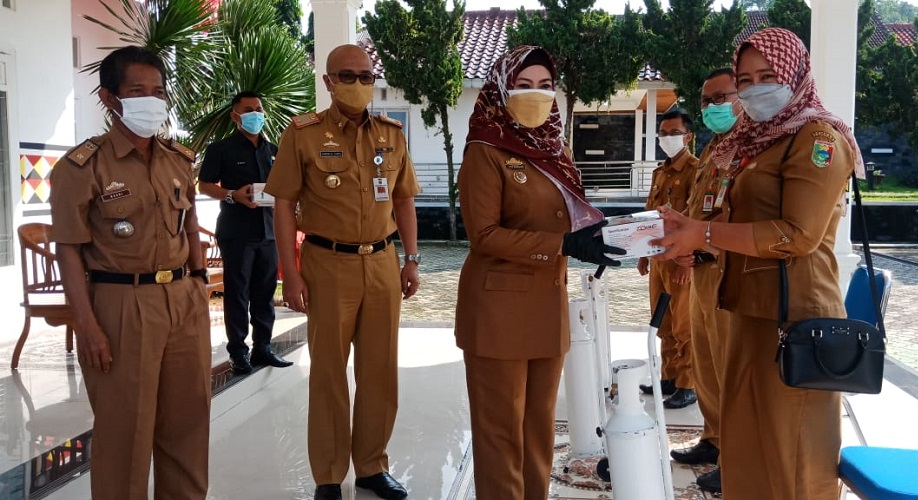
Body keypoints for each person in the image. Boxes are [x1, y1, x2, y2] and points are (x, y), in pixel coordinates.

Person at [653, 28, 863, 499]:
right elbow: (735, 218)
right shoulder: (756, 142)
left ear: (795, 73)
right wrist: (692, 236)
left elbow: (798, 234)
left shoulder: (817, 138)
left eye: (768, 76)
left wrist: (704, 233)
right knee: (746, 445)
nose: (755, 89)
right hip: (748, 309)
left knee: (793, 455)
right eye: (745, 80)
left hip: (798, 319)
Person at [455, 45, 624, 500]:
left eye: (545, 86)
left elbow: (563, 215)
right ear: (501, 90)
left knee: (538, 429)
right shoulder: (485, 150)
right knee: (501, 433)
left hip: (547, 306)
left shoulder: (553, 149)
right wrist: (562, 244)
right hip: (498, 311)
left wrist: (596, 232)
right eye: (523, 85)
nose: (536, 95)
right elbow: (484, 235)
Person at [50, 45, 211, 499]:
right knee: (126, 433)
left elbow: (190, 224)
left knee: (188, 424)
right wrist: (86, 325)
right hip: (122, 304)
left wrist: (199, 281)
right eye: (137, 90)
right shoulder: (83, 166)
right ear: (109, 98)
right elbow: (68, 251)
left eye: (158, 91)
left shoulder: (178, 159)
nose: (151, 100)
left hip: (182, 300)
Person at [264, 44, 419, 500]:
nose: (358, 84)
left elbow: (404, 199)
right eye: (347, 76)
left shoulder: (391, 133)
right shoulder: (304, 133)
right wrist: (290, 274)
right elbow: (283, 205)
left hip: (382, 262)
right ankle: (329, 474)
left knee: (380, 371)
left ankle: (372, 466)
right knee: (329, 372)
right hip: (327, 263)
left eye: (366, 75)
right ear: (328, 82)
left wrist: (411, 259)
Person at [667, 67, 743, 495]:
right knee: (707, 365)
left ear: (740, 96)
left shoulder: (751, 148)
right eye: (706, 101)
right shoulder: (715, 149)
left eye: (720, 97)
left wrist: (700, 241)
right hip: (701, 270)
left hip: (730, 272)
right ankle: (713, 440)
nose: (712, 107)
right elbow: (701, 209)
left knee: (731, 369)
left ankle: (736, 457)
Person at [198, 90, 292, 375]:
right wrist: (232, 195)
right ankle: (238, 352)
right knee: (238, 294)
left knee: (265, 293)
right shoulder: (221, 149)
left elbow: (285, 188)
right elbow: (204, 185)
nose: (255, 115)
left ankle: (263, 347)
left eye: (259, 109)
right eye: (249, 110)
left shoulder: (273, 150)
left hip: (269, 232)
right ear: (235, 116)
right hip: (236, 233)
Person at [637, 108, 699, 409]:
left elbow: (695, 219)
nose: (667, 138)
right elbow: (649, 216)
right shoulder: (659, 172)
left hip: (680, 260)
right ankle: (669, 377)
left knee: (684, 325)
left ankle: (688, 384)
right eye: (663, 133)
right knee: (663, 322)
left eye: (674, 133)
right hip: (658, 259)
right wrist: (643, 254)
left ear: (689, 136)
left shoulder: (696, 171)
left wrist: (689, 258)